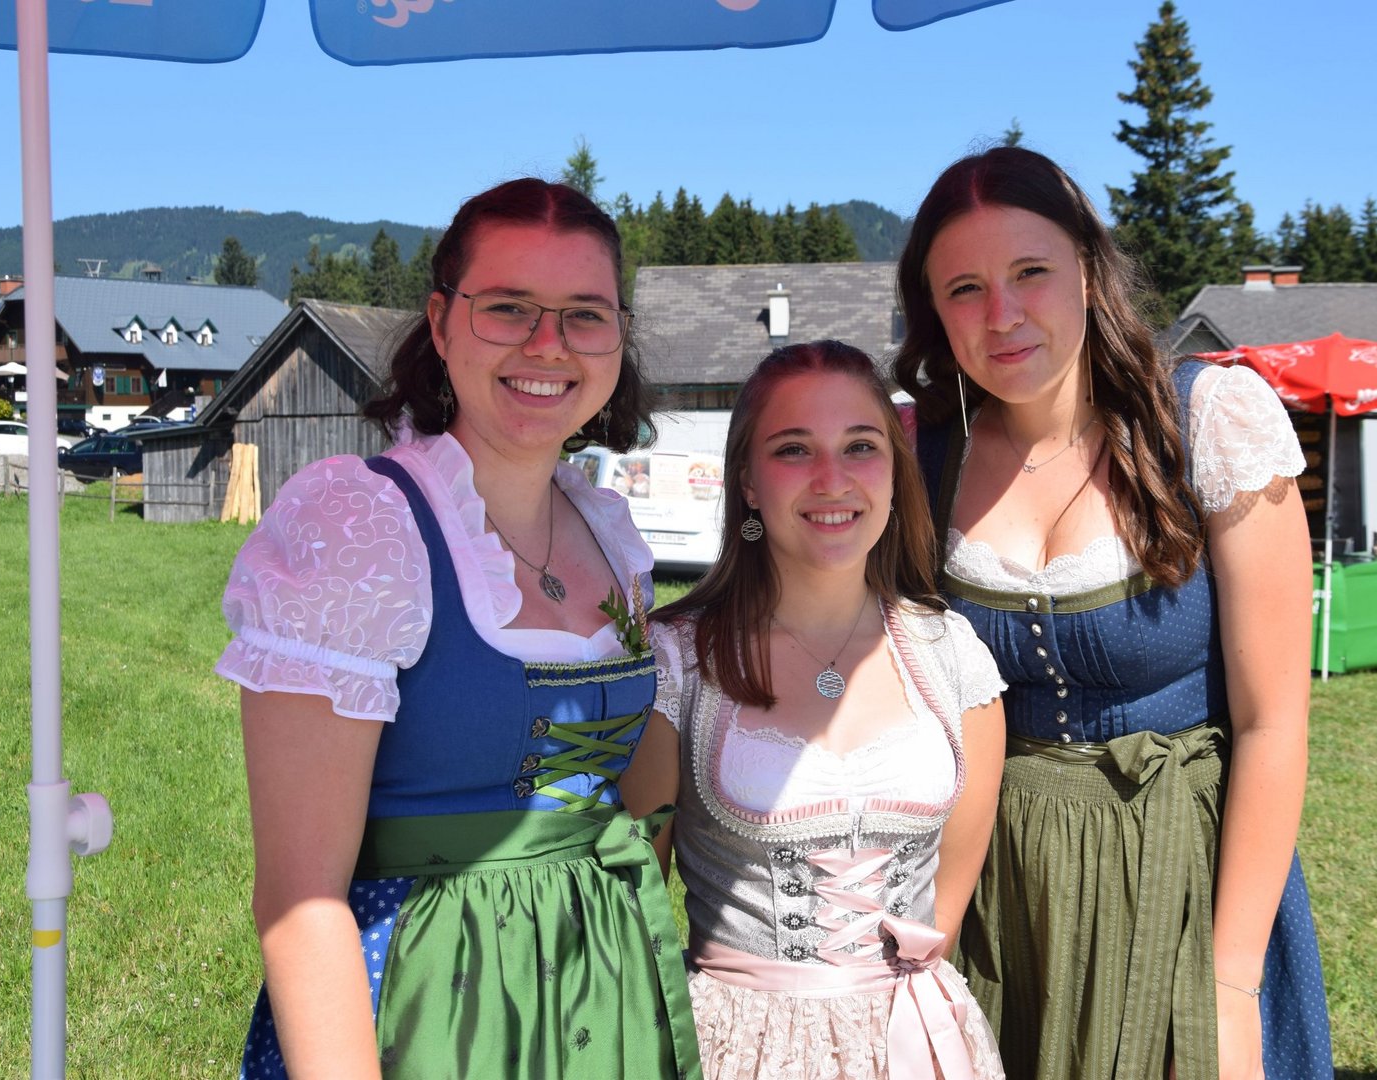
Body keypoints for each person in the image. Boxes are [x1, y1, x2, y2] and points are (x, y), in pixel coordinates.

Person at [217, 178, 700, 1080]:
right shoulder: (363, 531)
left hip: (602, 990)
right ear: (441, 324)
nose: (548, 344)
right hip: (426, 1000)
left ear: (618, 337)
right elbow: (299, 899)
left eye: (585, 315)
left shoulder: (608, 532)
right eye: (508, 307)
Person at [892, 146, 1334, 1080]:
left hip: (1181, 883)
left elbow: (1273, 723)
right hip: (999, 898)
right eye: (965, 288)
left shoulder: (1206, 421)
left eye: (1031, 272)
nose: (1002, 314)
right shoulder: (919, 455)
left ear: (1089, 272)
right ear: (932, 309)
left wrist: (1229, 983)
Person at [620, 340, 1009, 1080]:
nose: (833, 479)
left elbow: (945, 917)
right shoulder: (676, 664)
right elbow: (634, 914)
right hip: (739, 1051)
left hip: (918, 1043)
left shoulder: (952, 655)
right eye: (793, 449)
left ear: (895, 471)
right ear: (748, 482)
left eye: (860, 446)